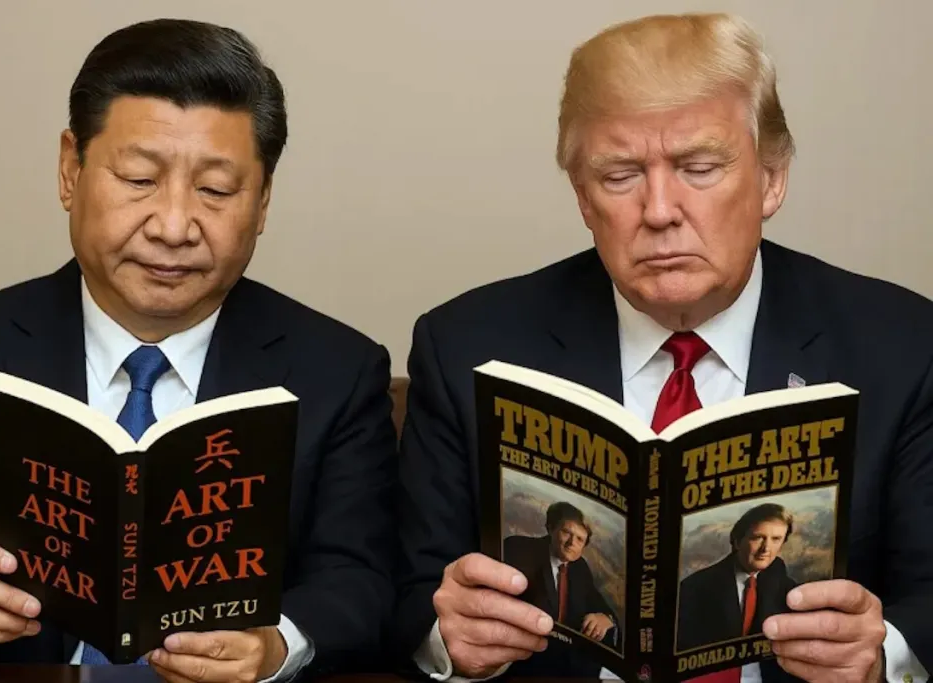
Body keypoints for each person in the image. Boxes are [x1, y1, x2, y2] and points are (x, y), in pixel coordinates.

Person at [394, 12, 931, 683]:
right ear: (582, 197)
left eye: (698, 168)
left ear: (771, 179)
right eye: (619, 175)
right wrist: (450, 640)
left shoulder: (903, 346)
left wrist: (878, 656)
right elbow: (410, 595)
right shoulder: (466, 347)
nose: (658, 210)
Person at [0, 18, 398, 683]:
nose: (173, 227)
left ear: (262, 202)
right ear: (70, 170)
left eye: (216, 190)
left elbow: (361, 578)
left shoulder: (337, 371)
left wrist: (276, 644)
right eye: (139, 178)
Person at [677, 504, 798, 652]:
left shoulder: (779, 578)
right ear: (737, 541)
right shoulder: (694, 588)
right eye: (758, 538)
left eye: (776, 539)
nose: (766, 548)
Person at [502, 502, 618, 648]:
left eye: (580, 539)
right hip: (520, 648)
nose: (571, 543)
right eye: (566, 532)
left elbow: (596, 602)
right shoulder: (518, 548)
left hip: (564, 653)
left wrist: (606, 618)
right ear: (551, 528)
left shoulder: (580, 567)